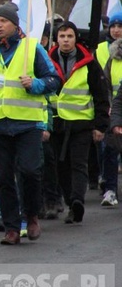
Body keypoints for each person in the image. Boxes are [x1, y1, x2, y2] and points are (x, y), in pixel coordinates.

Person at [0, 2, 60, 245]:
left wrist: (35, 84)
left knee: (30, 172)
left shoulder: (32, 48)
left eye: (3, 21)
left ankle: (32, 215)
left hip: (28, 124)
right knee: (2, 179)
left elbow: (55, 79)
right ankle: (11, 228)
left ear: (15, 24)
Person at [47, 22, 109, 223]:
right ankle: (69, 200)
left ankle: (77, 201)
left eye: (70, 36)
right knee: (60, 166)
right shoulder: (47, 61)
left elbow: (100, 95)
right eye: (62, 36)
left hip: (82, 123)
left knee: (79, 164)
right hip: (57, 123)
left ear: (75, 39)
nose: (66, 40)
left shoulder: (89, 62)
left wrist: (100, 126)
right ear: (56, 39)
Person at [96, 12, 122, 207]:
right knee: (109, 151)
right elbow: (105, 85)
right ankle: (110, 189)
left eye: (120, 26)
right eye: (113, 26)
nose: (116, 30)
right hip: (115, 111)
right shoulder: (112, 59)